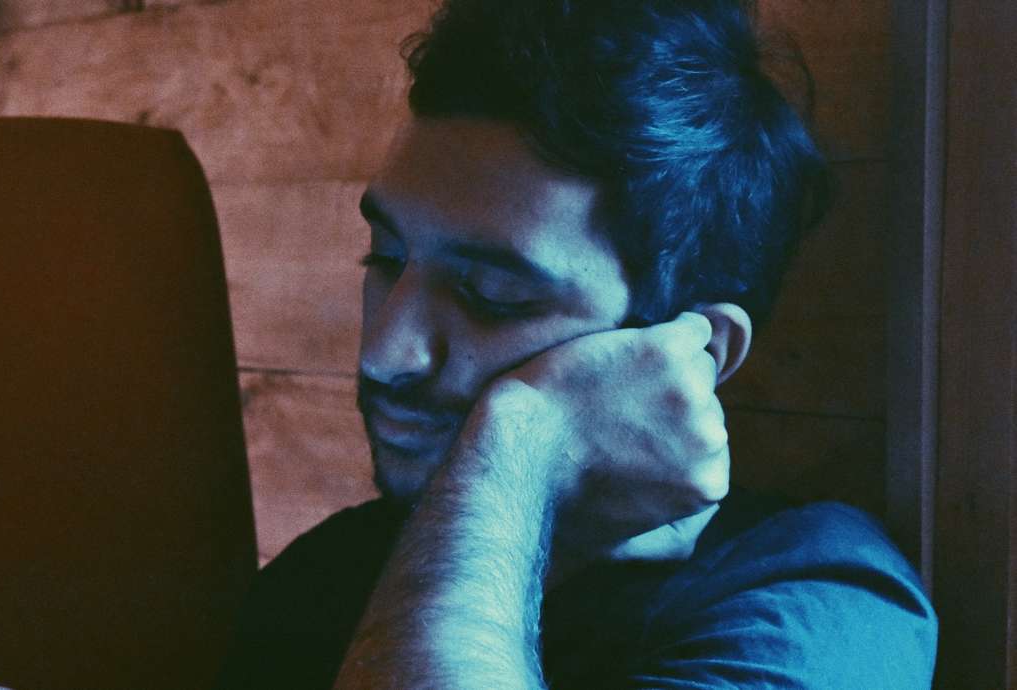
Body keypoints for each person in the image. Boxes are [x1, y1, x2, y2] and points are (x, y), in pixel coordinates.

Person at [216, 0, 938, 687]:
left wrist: (522, 437)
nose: (385, 351)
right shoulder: (321, 577)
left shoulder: (817, 603)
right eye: (386, 257)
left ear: (697, 352)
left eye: (492, 295)